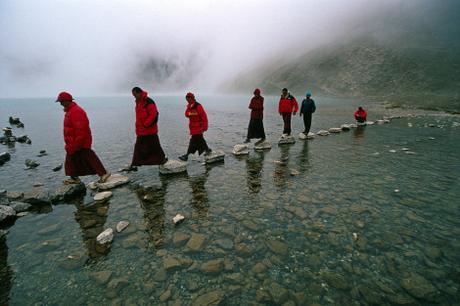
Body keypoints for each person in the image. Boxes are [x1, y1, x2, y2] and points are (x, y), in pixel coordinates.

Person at [55, 91, 110, 185]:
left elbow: (81, 129)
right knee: (72, 159)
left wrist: (77, 144)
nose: (60, 104)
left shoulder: (76, 111)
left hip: (80, 141)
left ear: (67, 101)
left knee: (89, 157)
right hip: (73, 141)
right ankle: (75, 178)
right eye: (60, 102)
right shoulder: (70, 111)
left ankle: (104, 173)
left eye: (61, 101)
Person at [125, 87, 167, 172]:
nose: (134, 97)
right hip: (141, 131)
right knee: (138, 147)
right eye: (133, 95)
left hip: (149, 130)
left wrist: (146, 124)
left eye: (135, 95)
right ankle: (134, 164)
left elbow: (154, 115)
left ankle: (161, 159)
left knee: (155, 146)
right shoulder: (138, 102)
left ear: (139, 93)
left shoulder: (149, 101)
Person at [179, 92, 212, 161]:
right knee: (200, 140)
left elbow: (204, 117)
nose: (187, 101)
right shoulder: (189, 106)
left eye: (188, 99)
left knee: (193, 141)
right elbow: (186, 114)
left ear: (192, 98)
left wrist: (205, 127)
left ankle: (187, 155)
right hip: (193, 127)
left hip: (199, 127)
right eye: (186, 99)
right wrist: (192, 113)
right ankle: (207, 149)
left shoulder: (198, 106)